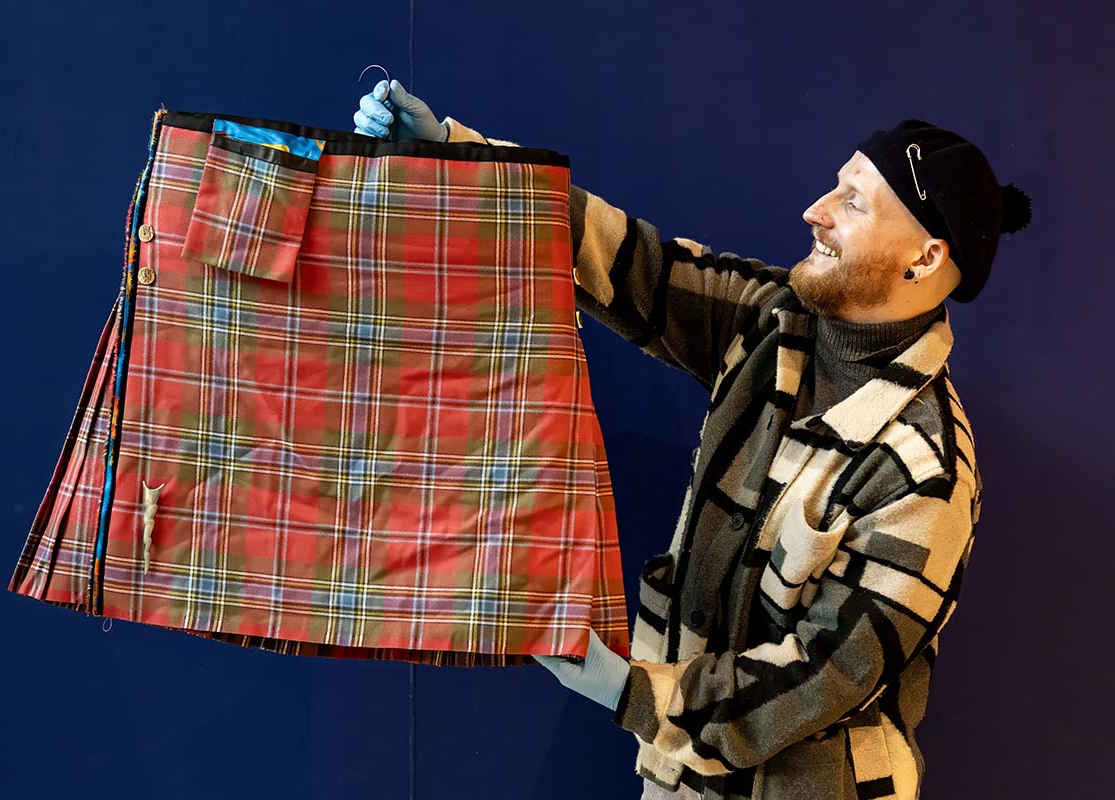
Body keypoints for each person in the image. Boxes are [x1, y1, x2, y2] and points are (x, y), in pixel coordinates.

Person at [353, 79, 1032, 800]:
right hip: (678, 770)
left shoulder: (927, 473)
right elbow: (628, 262)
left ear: (924, 260)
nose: (816, 212)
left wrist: (632, 690)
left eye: (854, 202)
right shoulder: (773, 320)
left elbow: (822, 676)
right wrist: (462, 159)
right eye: (836, 187)